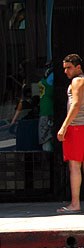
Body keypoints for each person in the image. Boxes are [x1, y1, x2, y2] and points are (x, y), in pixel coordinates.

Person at [56, 54, 84, 214]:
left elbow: (75, 104)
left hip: (77, 127)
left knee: (74, 166)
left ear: (78, 67)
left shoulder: (77, 80)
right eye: (65, 68)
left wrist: (64, 126)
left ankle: (75, 203)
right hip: (80, 126)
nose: (66, 71)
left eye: (69, 68)